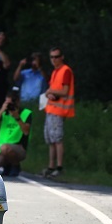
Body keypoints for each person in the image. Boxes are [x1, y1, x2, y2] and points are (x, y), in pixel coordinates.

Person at [0, 89, 32, 176]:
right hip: (1, 149)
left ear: (18, 102)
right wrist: (2, 110)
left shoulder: (26, 113)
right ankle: (7, 165)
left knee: (5, 148)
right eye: (8, 103)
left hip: (18, 148)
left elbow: (26, 132)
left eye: (12, 103)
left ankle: (15, 165)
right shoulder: (4, 113)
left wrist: (17, 117)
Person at [42, 47, 75, 178]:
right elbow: (52, 89)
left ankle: (59, 167)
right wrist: (49, 93)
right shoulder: (56, 71)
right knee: (51, 140)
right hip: (51, 109)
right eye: (52, 57)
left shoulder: (65, 70)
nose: (54, 59)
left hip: (59, 111)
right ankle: (51, 166)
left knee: (57, 139)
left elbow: (64, 91)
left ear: (62, 57)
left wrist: (51, 92)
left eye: (56, 56)